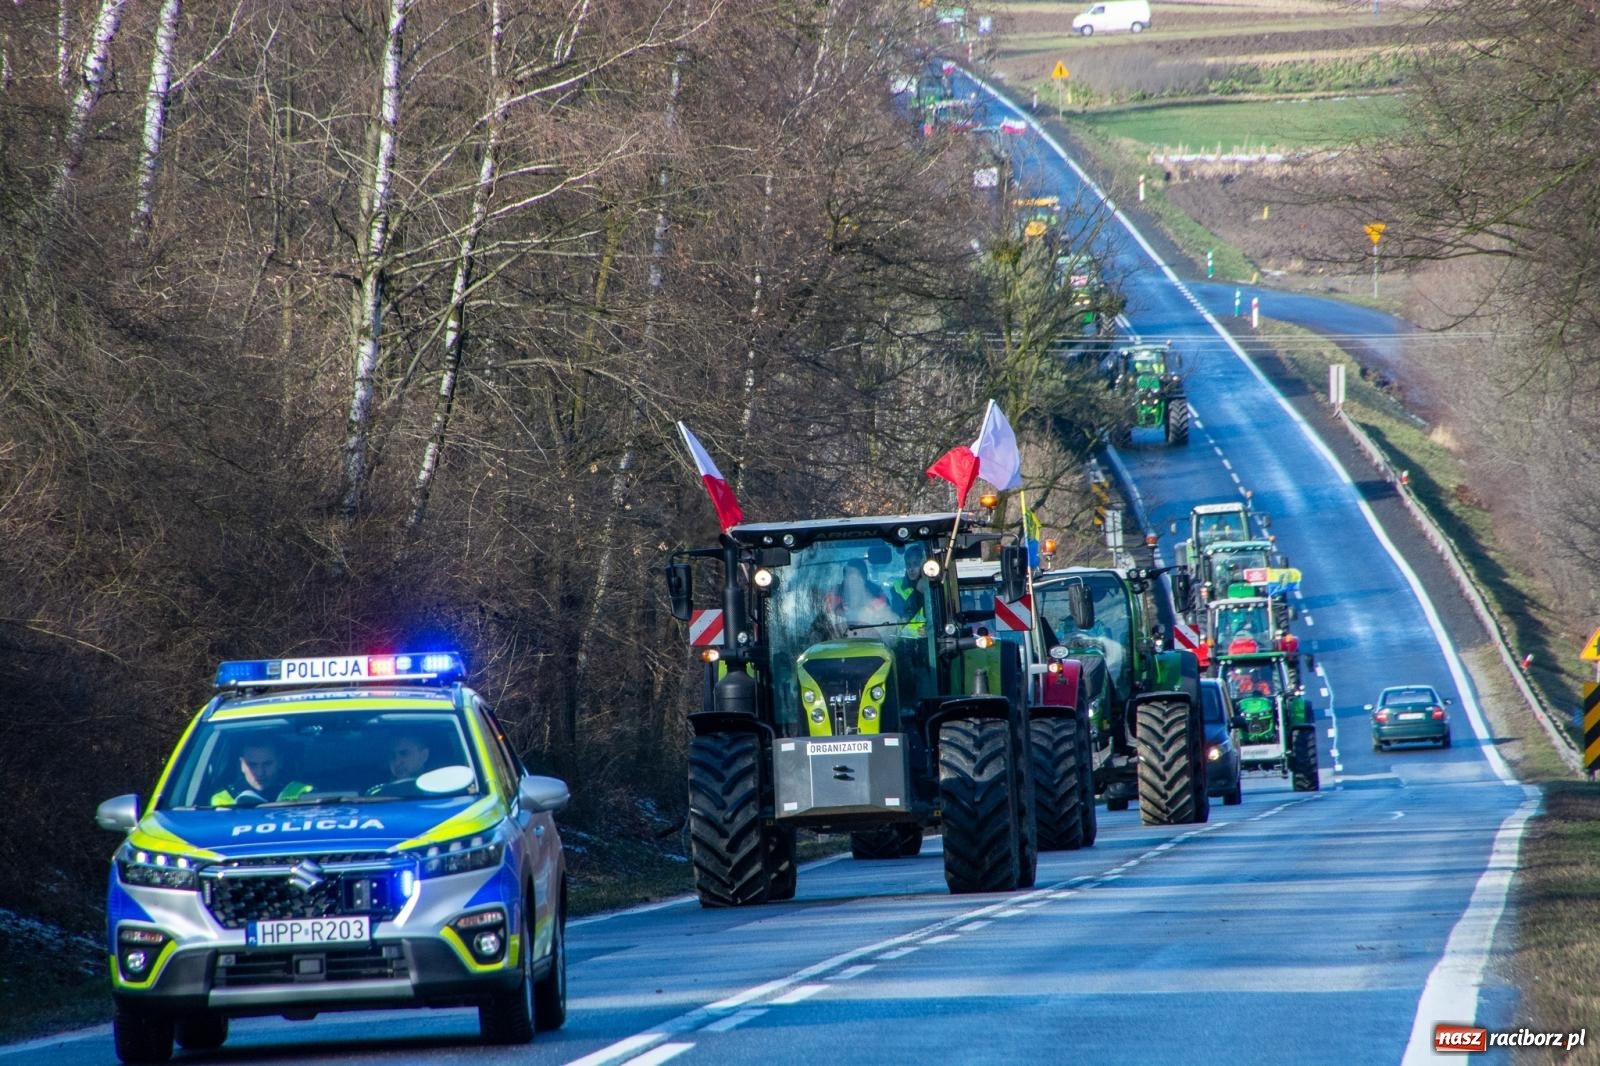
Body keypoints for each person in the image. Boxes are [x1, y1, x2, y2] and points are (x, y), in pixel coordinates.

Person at [210, 738, 312, 806]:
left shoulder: (304, 792)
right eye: (252, 765)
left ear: (280, 762)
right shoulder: (222, 800)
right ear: (242, 765)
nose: (260, 773)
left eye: (267, 764)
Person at [825, 559, 894, 628]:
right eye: (850, 575)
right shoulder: (833, 596)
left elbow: (889, 624)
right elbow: (824, 621)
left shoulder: (878, 597)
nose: (854, 581)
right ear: (845, 578)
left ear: (865, 577)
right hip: (839, 633)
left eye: (859, 576)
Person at [888, 544, 928, 632]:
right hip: (906, 637)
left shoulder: (933, 584)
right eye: (908, 564)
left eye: (915, 564)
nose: (911, 569)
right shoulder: (897, 588)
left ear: (923, 564)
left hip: (931, 636)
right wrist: (918, 592)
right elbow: (901, 617)